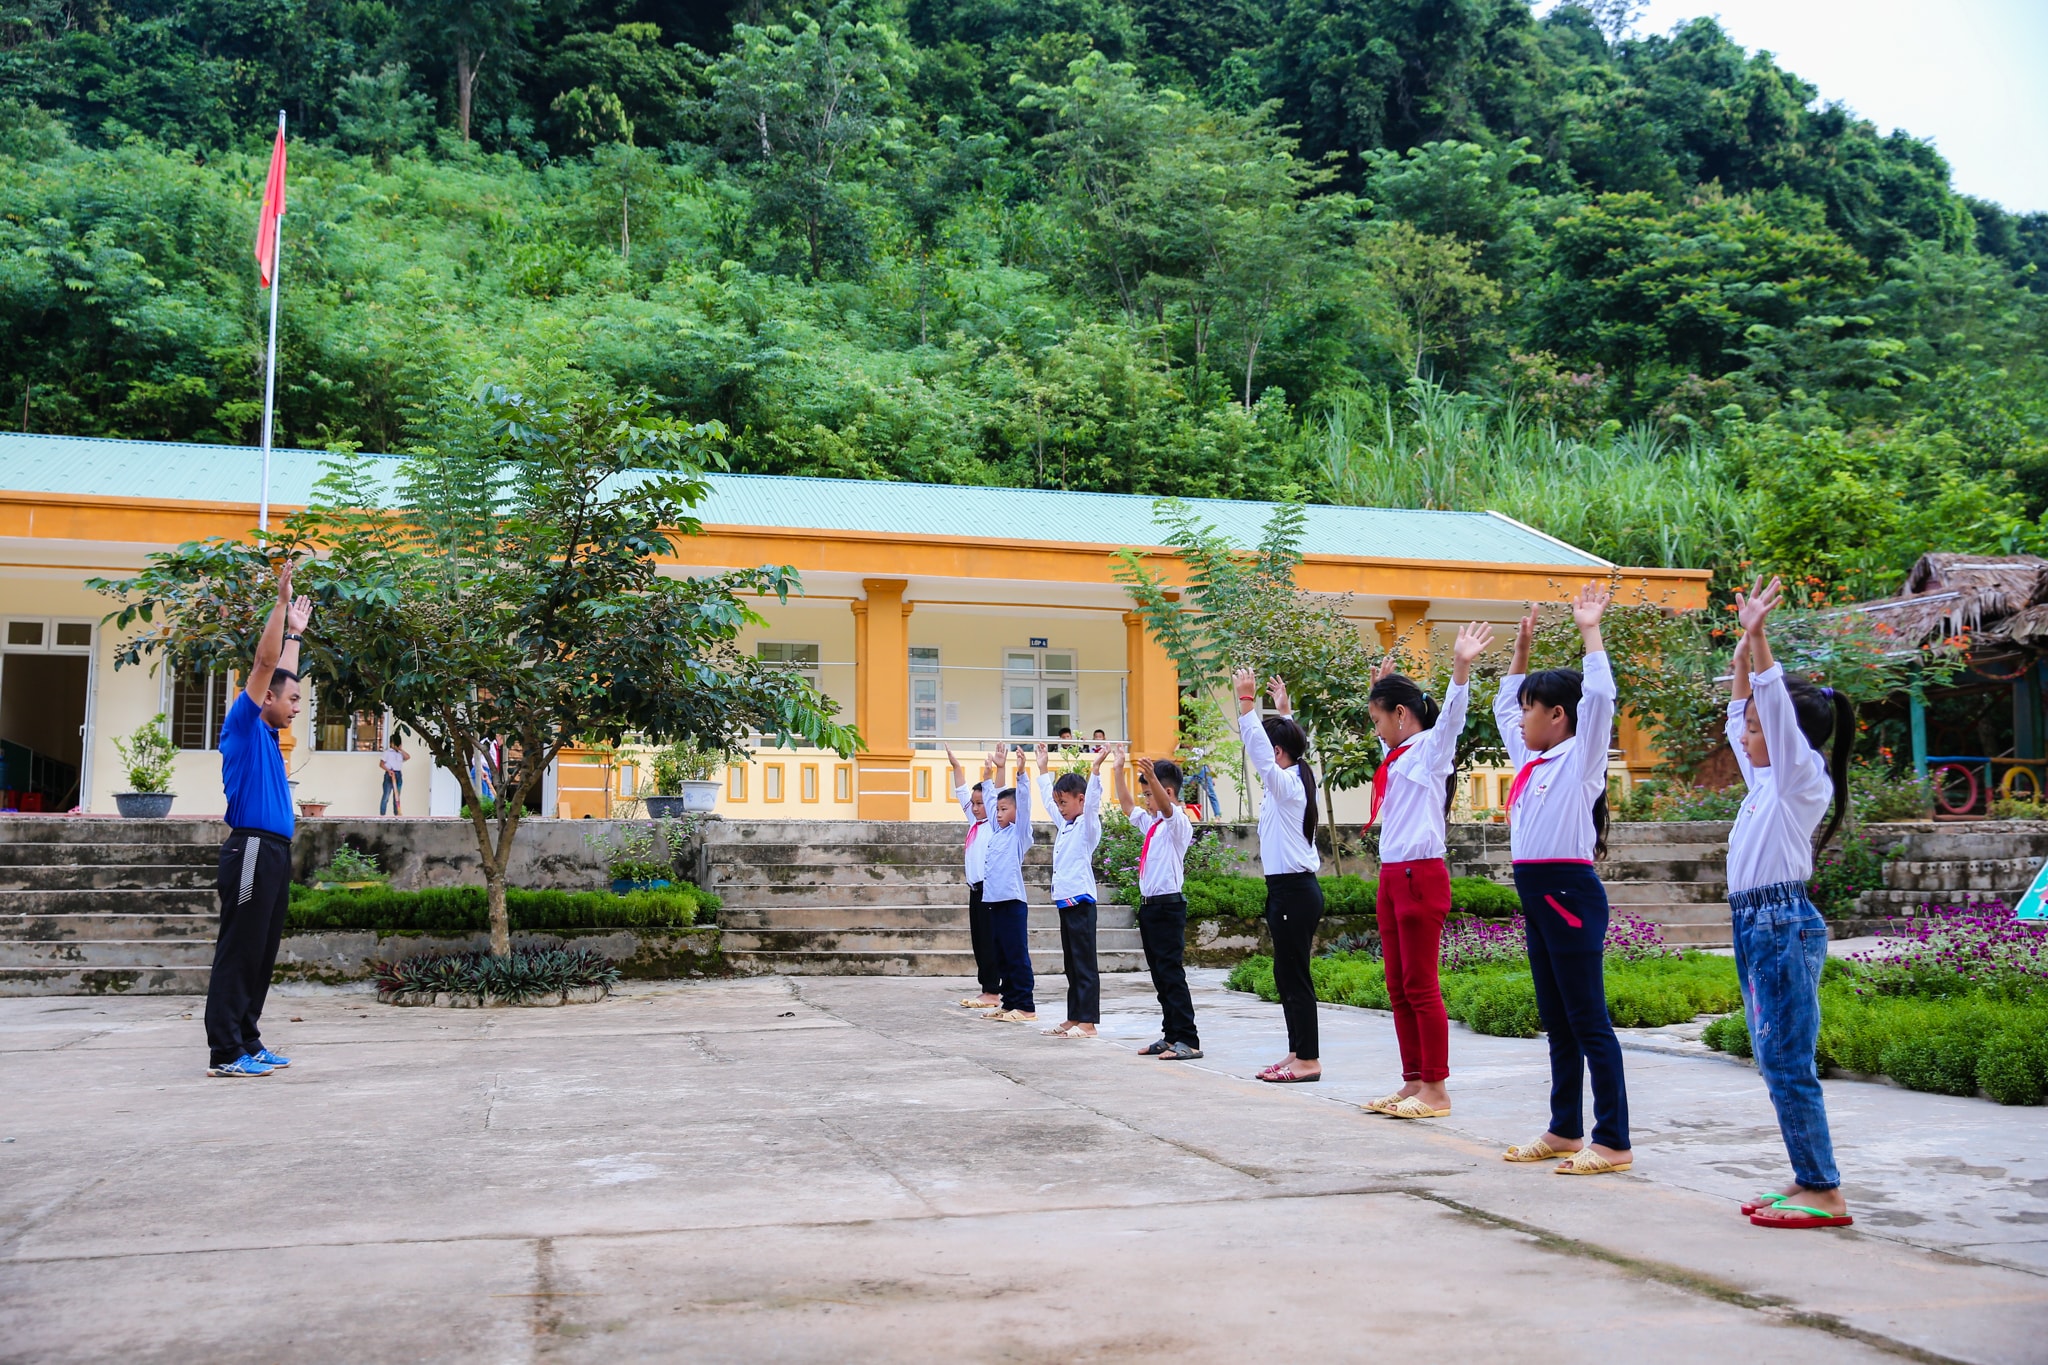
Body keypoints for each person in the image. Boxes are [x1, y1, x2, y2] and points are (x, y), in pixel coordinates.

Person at [1727, 575, 1856, 1230]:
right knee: (1773, 1056)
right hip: (1755, 924)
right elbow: (1742, 712)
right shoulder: (1767, 783)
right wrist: (1742, 657)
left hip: (1779, 923)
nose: (1746, 734)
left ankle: (1825, 1189)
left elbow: (1771, 711)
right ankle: (1808, 1177)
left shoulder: (1800, 782)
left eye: (1758, 727)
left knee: (1787, 1058)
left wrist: (1761, 637)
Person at [1493, 583, 1631, 1175]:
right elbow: (1501, 708)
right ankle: (1564, 1129)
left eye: (1532, 707)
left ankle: (1614, 1141)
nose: (1521, 717)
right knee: (1556, 1018)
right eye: (1523, 706)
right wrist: (1520, 653)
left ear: (1558, 716)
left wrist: (1589, 631)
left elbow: (1598, 698)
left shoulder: (1580, 759)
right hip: (1537, 895)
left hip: (1569, 893)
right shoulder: (1531, 762)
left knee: (1588, 1020)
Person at [1360, 622, 1491, 1120]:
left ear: (1401, 715)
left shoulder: (1434, 750)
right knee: (1397, 984)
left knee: (1421, 984)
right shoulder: (1398, 756)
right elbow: (1388, 750)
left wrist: (1461, 666)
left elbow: (1451, 717)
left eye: (1378, 718)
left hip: (1420, 875)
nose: (1375, 729)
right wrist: (1384, 683)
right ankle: (1413, 1079)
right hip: (1393, 875)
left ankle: (1436, 1089)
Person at [204, 561, 312, 1078]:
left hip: (272, 852)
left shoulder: (269, 736)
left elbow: (283, 674)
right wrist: (278, 606)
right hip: (248, 849)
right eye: (292, 701)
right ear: (264, 699)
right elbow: (267, 666)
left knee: (262, 952)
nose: (296, 708)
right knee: (240, 950)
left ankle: (247, 1039)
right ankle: (225, 1052)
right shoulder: (244, 726)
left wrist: (296, 634)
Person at [1233, 668, 1323, 1083]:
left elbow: (1262, 752)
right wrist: (1284, 713)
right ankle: (1297, 1050)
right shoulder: (1289, 781)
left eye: (1273, 750)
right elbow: (1281, 749)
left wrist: (1248, 704)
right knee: (1284, 973)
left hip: (1295, 891)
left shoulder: (1288, 782)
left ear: (1280, 752)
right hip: (1284, 890)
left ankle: (1309, 1059)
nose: (1264, 760)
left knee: (1295, 975)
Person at [1114, 745, 1200, 1060]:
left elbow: (1166, 808)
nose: (1145, 801)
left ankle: (1188, 1039)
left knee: (1171, 972)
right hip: (1150, 906)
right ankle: (1171, 1034)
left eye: (1149, 794)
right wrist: (1118, 769)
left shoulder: (1177, 822)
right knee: (1159, 975)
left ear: (1165, 791)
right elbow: (1126, 806)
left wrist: (1152, 775)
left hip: (1168, 906)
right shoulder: (1152, 824)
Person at [1035, 742, 1109, 1037]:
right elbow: (1047, 801)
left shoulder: (1088, 825)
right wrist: (1042, 769)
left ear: (1080, 799)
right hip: (1064, 903)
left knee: (1085, 964)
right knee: (1072, 964)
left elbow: (1092, 804)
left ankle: (1088, 1022)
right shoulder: (1065, 824)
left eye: (1065, 803)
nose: (1060, 808)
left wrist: (1095, 770)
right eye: (1059, 804)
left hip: (1081, 902)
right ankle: (1074, 1016)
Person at [977, 744, 1036, 1022]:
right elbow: (991, 798)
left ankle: (1025, 1006)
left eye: (1004, 809)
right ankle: (1009, 1002)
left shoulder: (1018, 834)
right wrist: (993, 772)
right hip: (993, 901)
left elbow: (1022, 804)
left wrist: (1021, 774)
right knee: (1001, 955)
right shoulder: (996, 831)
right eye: (997, 810)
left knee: (1015, 955)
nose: (998, 813)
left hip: (1012, 902)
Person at [947, 744, 1001, 1009]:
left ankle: (994, 990)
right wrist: (957, 767)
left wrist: (993, 772)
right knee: (979, 940)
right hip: (975, 889)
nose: (977, 808)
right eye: (975, 804)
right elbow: (960, 793)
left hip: (991, 889)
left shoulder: (995, 824)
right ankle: (986, 988)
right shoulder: (974, 822)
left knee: (991, 940)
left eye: (981, 803)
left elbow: (998, 794)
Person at [379, 731, 411, 816]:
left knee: (396, 797)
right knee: (386, 796)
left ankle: (397, 814)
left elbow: (408, 757)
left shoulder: (400, 754)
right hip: (390, 774)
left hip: (398, 775)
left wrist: (400, 749)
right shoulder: (387, 753)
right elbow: (381, 764)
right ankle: (382, 815)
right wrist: (388, 771)